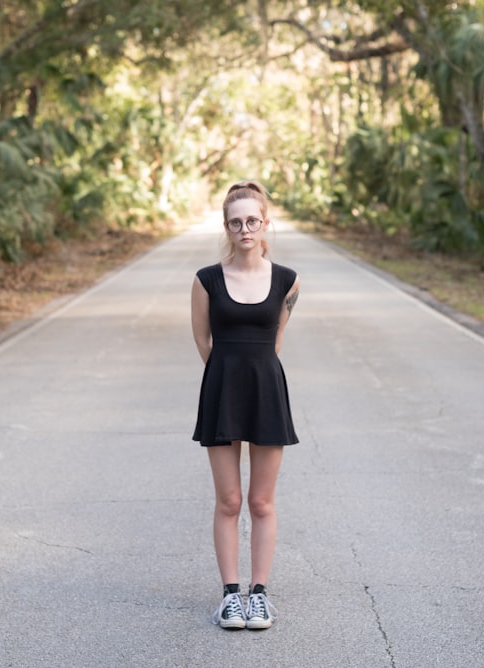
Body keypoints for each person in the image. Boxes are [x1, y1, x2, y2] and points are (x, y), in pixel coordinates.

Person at [191, 180, 300, 630]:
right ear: (227, 227)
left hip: (266, 391)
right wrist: (225, 377)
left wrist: (252, 373)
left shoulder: (288, 280)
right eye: (236, 222)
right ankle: (230, 597)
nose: (245, 229)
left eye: (252, 220)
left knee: (261, 501)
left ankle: (259, 594)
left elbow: (275, 340)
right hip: (221, 390)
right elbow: (203, 338)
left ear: (265, 222)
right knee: (229, 500)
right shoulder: (207, 280)